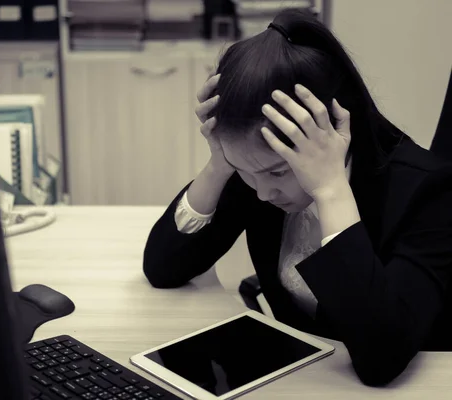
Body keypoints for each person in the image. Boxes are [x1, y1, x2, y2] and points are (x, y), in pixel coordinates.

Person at [142, 8, 452, 387]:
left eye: (277, 173)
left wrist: (330, 190)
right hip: (299, 380)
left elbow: (380, 360)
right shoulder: (261, 165)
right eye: (246, 171)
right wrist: (221, 162)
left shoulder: (427, 191)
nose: (262, 192)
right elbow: (163, 268)